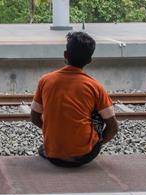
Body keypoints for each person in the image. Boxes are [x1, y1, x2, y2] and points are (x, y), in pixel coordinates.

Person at [30, 32, 118, 167]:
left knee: (43, 146)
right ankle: (83, 146)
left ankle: (55, 147)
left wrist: (51, 130)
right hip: (84, 156)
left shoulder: (45, 81)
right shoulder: (95, 86)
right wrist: (97, 143)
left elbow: (35, 118)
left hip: (54, 155)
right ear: (89, 60)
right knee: (99, 113)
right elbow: (113, 127)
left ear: (65, 55)